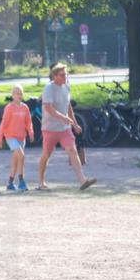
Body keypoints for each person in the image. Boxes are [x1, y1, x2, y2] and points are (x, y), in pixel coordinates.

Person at [37, 63, 96, 191]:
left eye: (66, 74)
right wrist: (64, 118)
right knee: (46, 154)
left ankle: (83, 181)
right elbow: (48, 108)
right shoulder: (49, 88)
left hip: (64, 128)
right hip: (49, 128)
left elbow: (68, 107)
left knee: (72, 150)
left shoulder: (67, 87)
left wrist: (74, 124)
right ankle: (41, 182)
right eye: (62, 75)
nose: (65, 76)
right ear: (54, 76)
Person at [0, 85, 35, 191]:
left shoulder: (25, 107)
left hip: (22, 137)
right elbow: (3, 124)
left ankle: (10, 183)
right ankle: (22, 181)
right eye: (17, 93)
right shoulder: (9, 108)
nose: (19, 95)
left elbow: (28, 122)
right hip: (10, 137)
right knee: (21, 155)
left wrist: (31, 132)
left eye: (21, 93)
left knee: (16, 160)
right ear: (12, 95)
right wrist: (0, 138)